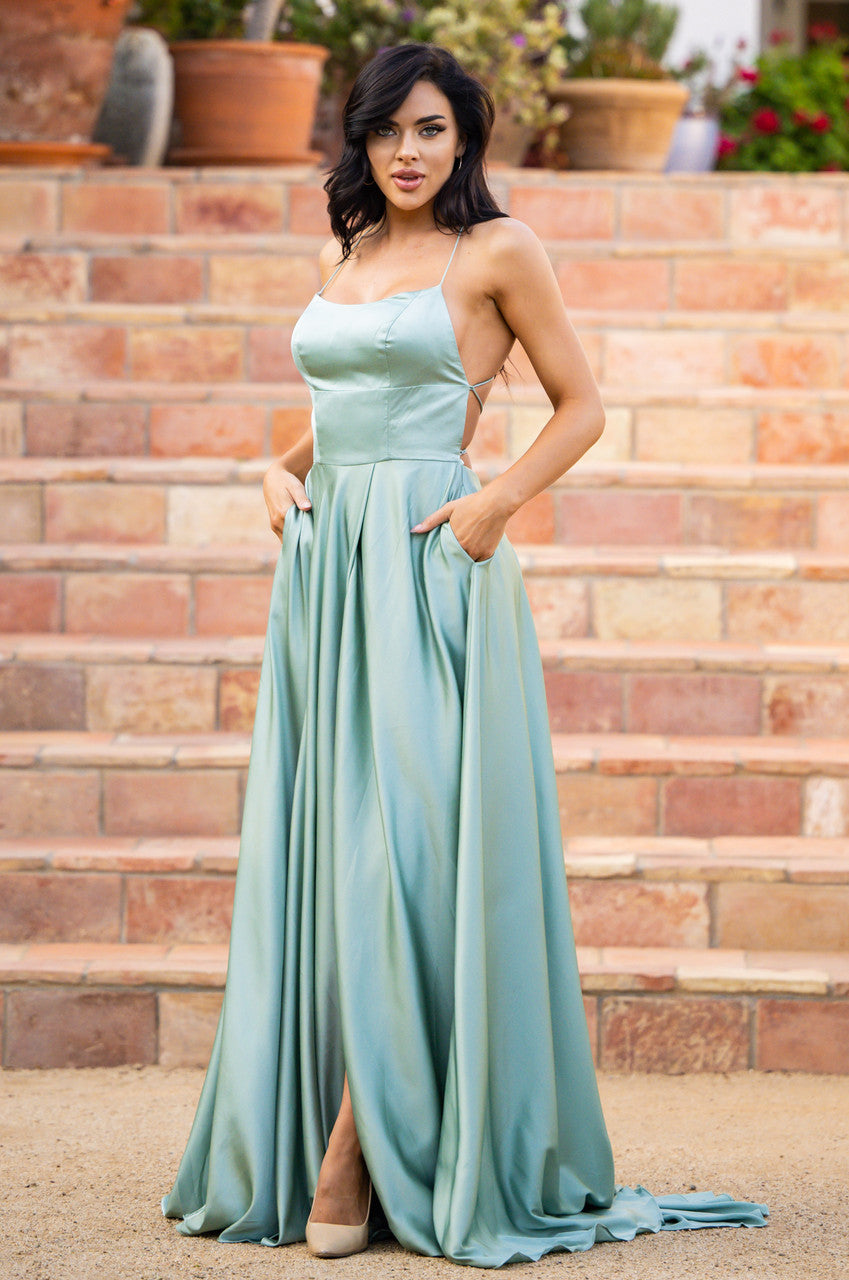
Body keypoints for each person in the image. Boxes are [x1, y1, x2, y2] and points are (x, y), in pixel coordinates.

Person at [161, 42, 768, 1267]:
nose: (407, 151)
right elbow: (342, 414)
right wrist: (271, 477)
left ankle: (357, 1140)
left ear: (465, 138)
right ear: (361, 139)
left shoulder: (499, 251)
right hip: (329, 580)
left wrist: (499, 503)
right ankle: (356, 1123)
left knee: (410, 848)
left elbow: (579, 403)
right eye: (388, 130)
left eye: (431, 129)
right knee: (329, 852)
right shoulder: (343, 255)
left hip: (437, 572)